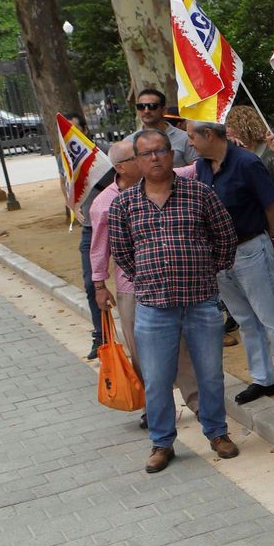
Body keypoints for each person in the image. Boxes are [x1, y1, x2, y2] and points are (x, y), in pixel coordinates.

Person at [107, 128, 238, 473]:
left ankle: (217, 432)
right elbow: (123, 254)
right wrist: (150, 280)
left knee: (210, 375)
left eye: (161, 150)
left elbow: (225, 237)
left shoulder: (199, 194)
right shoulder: (123, 204)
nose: (155, 158)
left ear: (172, 153)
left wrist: (207, 271)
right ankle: (162, 442)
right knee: (157, 378)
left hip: (200, 303)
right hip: (153, 307)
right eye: (146, 153)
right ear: (136, 161)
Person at [189, 119, 274, 405]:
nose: (189, 142)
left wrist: (266, 236)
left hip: (250, 248)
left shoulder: (246, 162)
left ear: (208, 134)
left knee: (271, 317)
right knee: (245, 319)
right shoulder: (202, 166)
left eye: (192, 136)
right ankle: (263, 379)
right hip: (219, 256)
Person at [91, 138, 200, 425]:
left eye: (152, 153)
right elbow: (99, 248)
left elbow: (193, 169)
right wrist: (100, 286)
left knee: (182, 346)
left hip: (170, 283)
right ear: (122, 167)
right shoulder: (104, 203)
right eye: (139, 156)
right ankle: (155, 410)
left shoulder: (168, 183)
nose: (149, 159)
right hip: (131, 289)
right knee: (141, 354)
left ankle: (198, 403)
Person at [226, 104, 274, 328]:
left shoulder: (270, 151)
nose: (227, 130)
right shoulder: (230, 154)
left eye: (230, 125)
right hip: (248, 224)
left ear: (242, 124)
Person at [68, 111, 112, 359]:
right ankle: (101, 334)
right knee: (91, 283)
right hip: (90, 230)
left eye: (77, 131)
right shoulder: (67, 158)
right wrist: (72, 208)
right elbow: (64, 184)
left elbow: (118, 181)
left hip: (116, 224)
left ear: (85, 130)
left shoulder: (104, 152)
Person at [134, 87, 195, 165]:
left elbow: (196, 170)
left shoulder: (185, 139)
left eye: (152, 106)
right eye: (141, 106)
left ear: (164, 110)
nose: (146, 111)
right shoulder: (129, 142)